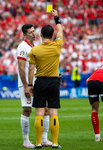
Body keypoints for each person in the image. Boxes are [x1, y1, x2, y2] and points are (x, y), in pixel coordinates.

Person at [28, 9, 63, 149]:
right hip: (54, 81)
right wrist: (56, 17)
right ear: (52, 35)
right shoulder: (57, 45)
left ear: (40, 35)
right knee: (53, 113)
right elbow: (60, 30)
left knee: (39, 114)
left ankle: (37, 143)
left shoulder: (34, 50)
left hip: (40, 82)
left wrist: (30, 84)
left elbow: (31, 69)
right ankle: (54, 143)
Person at [16, 24, 52, 148]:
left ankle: (44, 139)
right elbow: (21, 67)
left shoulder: (34, 46)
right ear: (24, 34)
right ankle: (26, 141)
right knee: (27, 110)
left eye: (34, 31)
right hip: (27, 84)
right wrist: (26, 86)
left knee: (46, 109)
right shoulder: (22, 47)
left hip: (38, 84)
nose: (33, 33)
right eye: (30, 32)